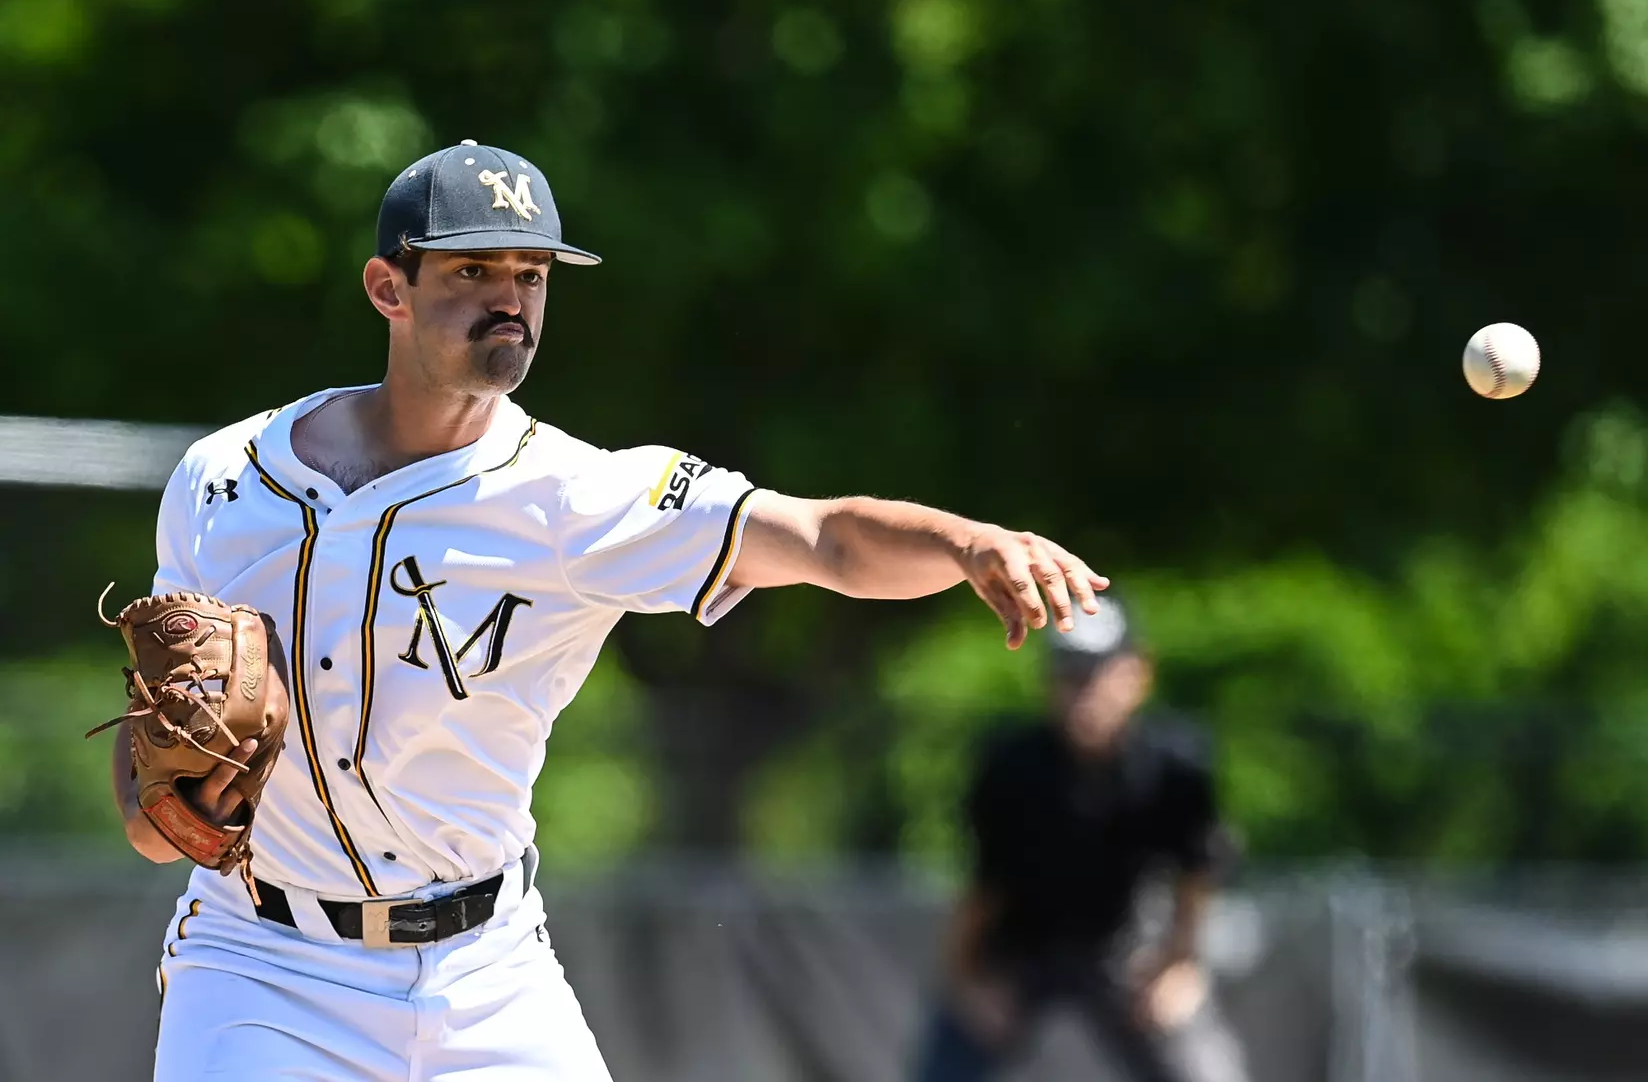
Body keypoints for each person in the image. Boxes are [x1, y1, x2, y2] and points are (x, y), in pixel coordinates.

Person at [105, 139, 1111, 1081]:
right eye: (471, 271)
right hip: (264, 967)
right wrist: (159, 805)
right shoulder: (227, 480)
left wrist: (965, 543)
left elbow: (821, 537)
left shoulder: (574, 499)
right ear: (388, 287)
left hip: (484, 972)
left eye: (530, 276)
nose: (510, 300)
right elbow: (150, 782)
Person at [914, 595, 1249, 1082]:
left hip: (1131, 949)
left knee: (1203, 1066)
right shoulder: (1012, 766)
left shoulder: (1176, 766)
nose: (1082, 692)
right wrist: (969, 979)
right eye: (1068, 676)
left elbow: (1197, 875)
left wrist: (1180, 965)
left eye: (1096, 674)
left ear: (1139, 673)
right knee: (949, 1059)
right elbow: (984, 884)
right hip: (1023, 950)